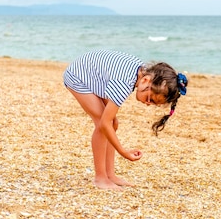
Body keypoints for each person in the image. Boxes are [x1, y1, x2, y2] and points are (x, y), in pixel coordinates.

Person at [63, 49, 188, 190]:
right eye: (149, 98)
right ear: (146, 81)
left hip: (98, 76)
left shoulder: (141, 72)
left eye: (153, 103)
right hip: (78, 77)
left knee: (113, 123)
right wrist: (123, 152)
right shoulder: (124, 84)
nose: (148, 104)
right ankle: (100, 178)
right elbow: (104, 124)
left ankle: (110, 174)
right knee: (102, 124)